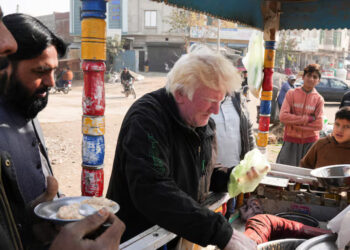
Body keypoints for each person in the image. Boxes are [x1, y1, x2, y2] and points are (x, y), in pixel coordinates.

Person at [107, 46, 260, 249]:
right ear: (180, 93)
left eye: (220, 100)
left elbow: (202, 172)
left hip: (174, 233)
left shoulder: (202, 124)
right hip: (139, 239)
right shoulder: (147, 119)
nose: (215, 110)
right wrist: (220, 233)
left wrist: (234, 178)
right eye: (210, 100)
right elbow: (152, 190)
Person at [0, 10, 125, 250]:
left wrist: (45, 219)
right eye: (40, 71)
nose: (51, 82)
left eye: (53, 71)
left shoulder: (27, 108)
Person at [211, 89, 256, 220]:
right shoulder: (203, 100)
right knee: (212, 213)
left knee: (229, 209)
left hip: (234, 170)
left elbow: (248, 131)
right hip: (210, 173)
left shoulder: (237, 99)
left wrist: (252, 159)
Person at [277, 64, 324, 166]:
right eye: (309, 75)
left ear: (318, 81)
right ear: (303, 77)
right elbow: (283, 117)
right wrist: (308, 118)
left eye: (315, 77)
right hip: (291, 140)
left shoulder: (319, 99)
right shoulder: (291, 93)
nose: (311, 79)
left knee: (306, 176)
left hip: (310, 142)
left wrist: (294, 124)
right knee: (286, 173)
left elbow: (319, 125)